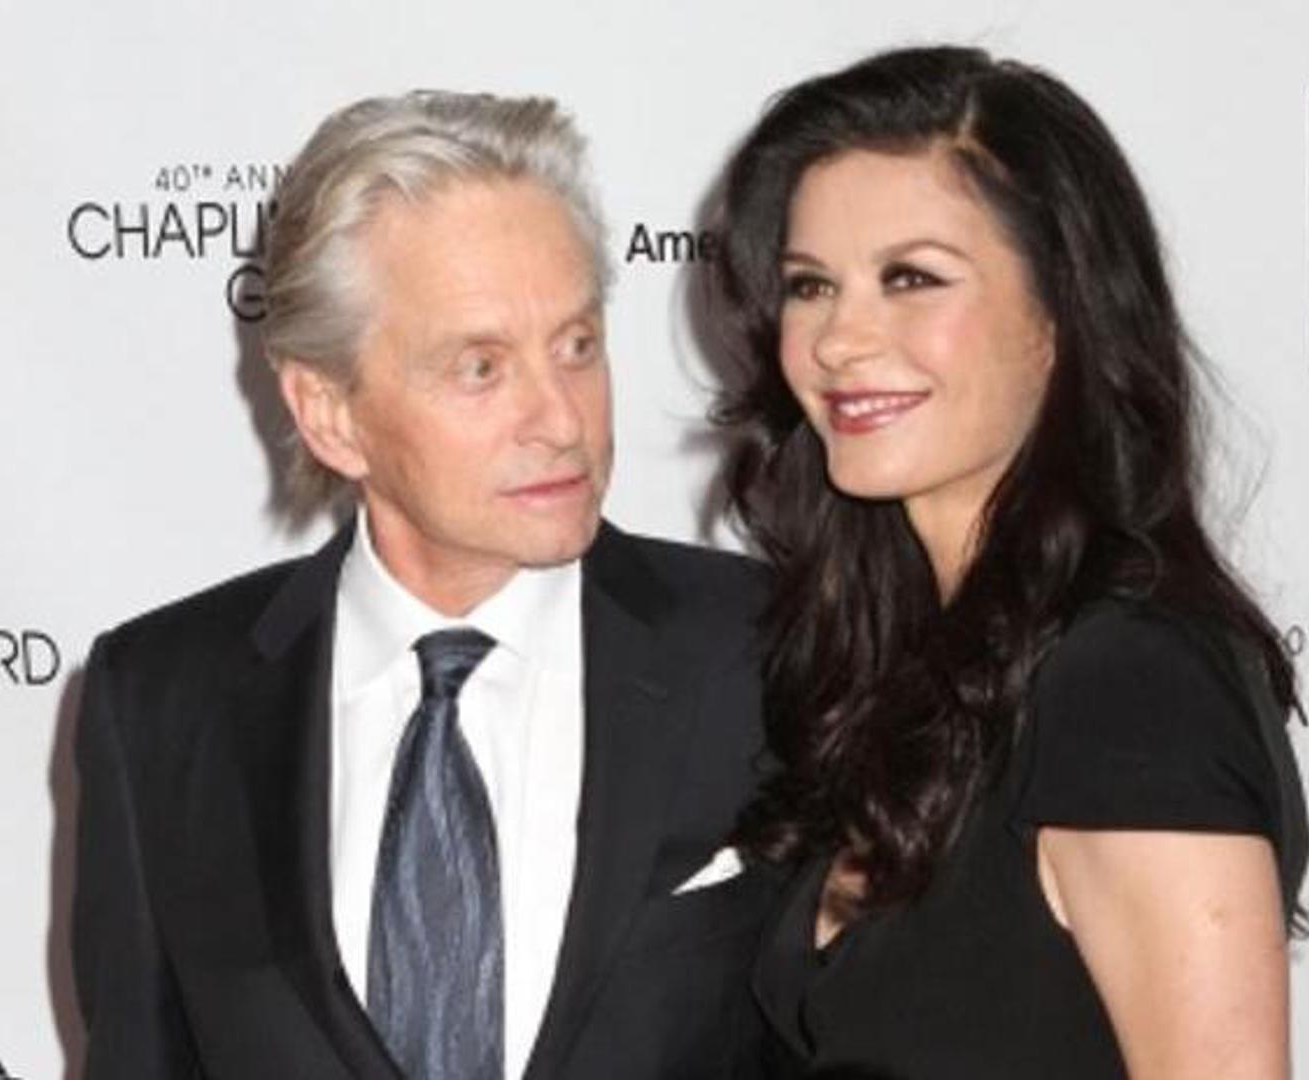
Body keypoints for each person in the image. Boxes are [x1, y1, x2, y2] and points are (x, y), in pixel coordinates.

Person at [72, 91, 780, 1080]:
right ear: (329, 413)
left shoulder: (770, 650)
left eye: (576, 346)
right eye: (481, 368)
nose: (561, 420)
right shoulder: (161, 699)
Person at [711, 46, 1309, 1079]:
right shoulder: (892, 664)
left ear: (1059, 316)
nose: (839, 340)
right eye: (810, 286)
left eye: (910, 279)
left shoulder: (1129, 680)